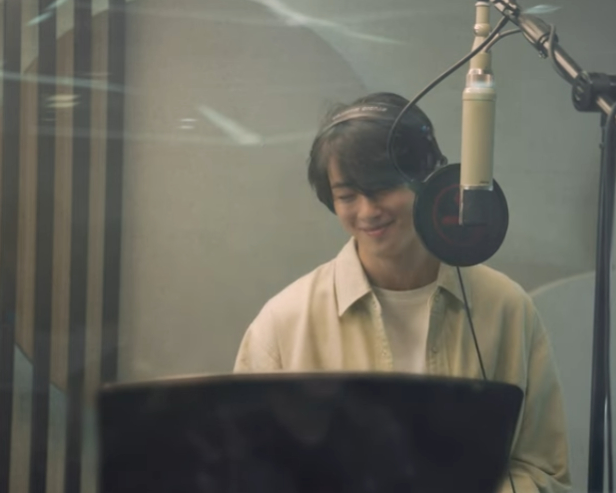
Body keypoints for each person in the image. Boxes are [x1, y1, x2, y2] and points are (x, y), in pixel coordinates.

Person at [233, 92, 571, 493]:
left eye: (382, 187)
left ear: (429, 181)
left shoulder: (506, 308)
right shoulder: (282, 324)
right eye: (347, 196)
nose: (367, 211)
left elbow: (545, 470)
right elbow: (245, 475)